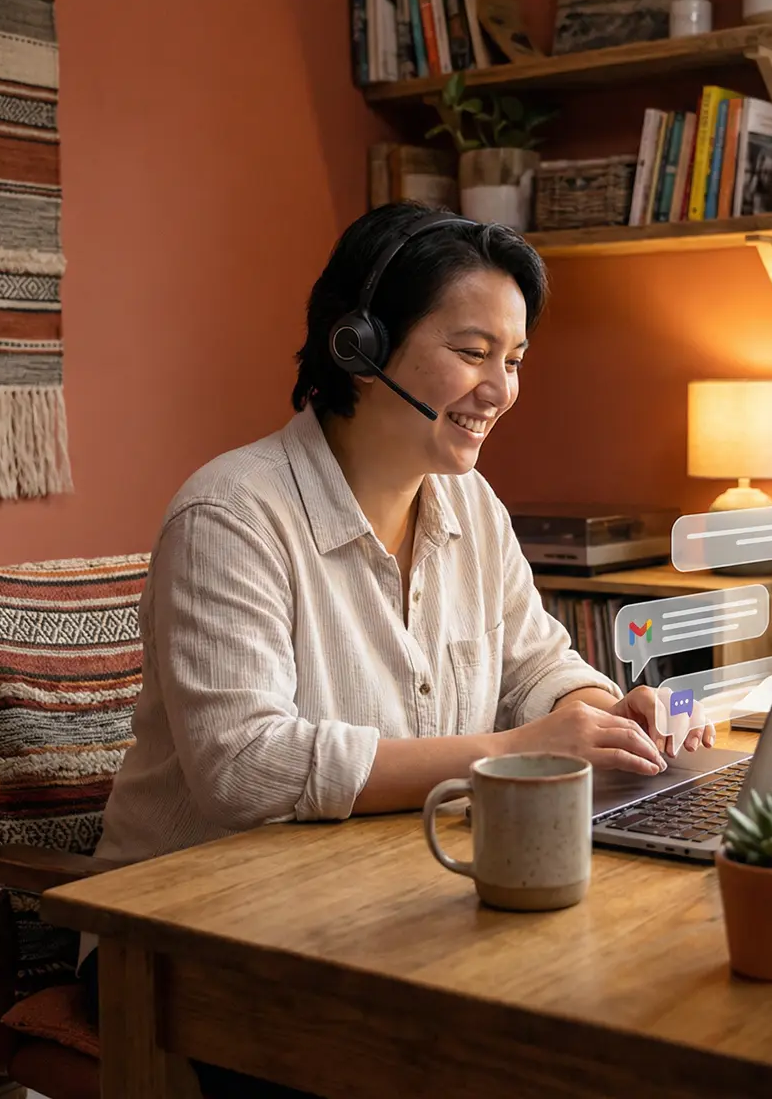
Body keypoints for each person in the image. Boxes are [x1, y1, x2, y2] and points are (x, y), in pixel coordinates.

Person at [78, 202, 712, 1097]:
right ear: (360, 345)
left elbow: (538, 664)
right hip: (185, 943)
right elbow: (246, 770)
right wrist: (511, 754)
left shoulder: (472, 508)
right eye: (472, 351)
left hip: (381, 901)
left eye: (516, 360)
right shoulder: (231, 516)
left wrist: (599, 714)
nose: (502, 389)